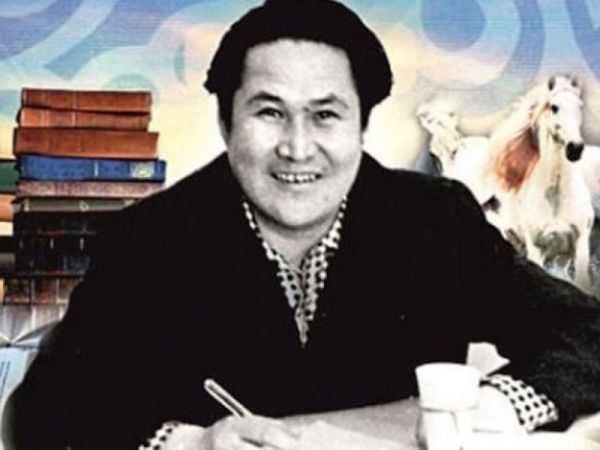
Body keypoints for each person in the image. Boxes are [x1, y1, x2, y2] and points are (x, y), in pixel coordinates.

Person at [6, 0, 600, 449]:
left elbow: (585, 332)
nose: (297, 147)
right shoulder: (146, 239)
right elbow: (44, 410)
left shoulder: (434, 219)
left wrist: (490, 405)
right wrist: (188, 443)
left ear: (360, 126)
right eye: (269, 112)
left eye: (325, 116)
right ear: (226, 123)